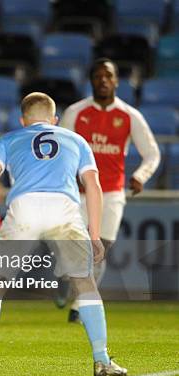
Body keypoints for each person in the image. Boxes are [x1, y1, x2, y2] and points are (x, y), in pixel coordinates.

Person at [0, 92, 127, 376]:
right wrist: (95, 233)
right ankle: (102, 361)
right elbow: (93, 184)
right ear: (55, 120)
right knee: (84, 284)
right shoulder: (76, 140)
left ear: (23, 121)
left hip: (23, 209)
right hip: (64, 210)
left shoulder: (10, 140)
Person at [58, 58, 161, 321]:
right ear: (91, 80)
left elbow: (152, 154)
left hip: (112, 194)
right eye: (97, 76)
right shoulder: (76, 113)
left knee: (98, 252)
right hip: (77, 194)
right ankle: (67, 281)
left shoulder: (129, 116)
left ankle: (79, 306)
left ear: (116, 81)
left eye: (108, 76)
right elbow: (59, 150)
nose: (103, 80)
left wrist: (140, 176)